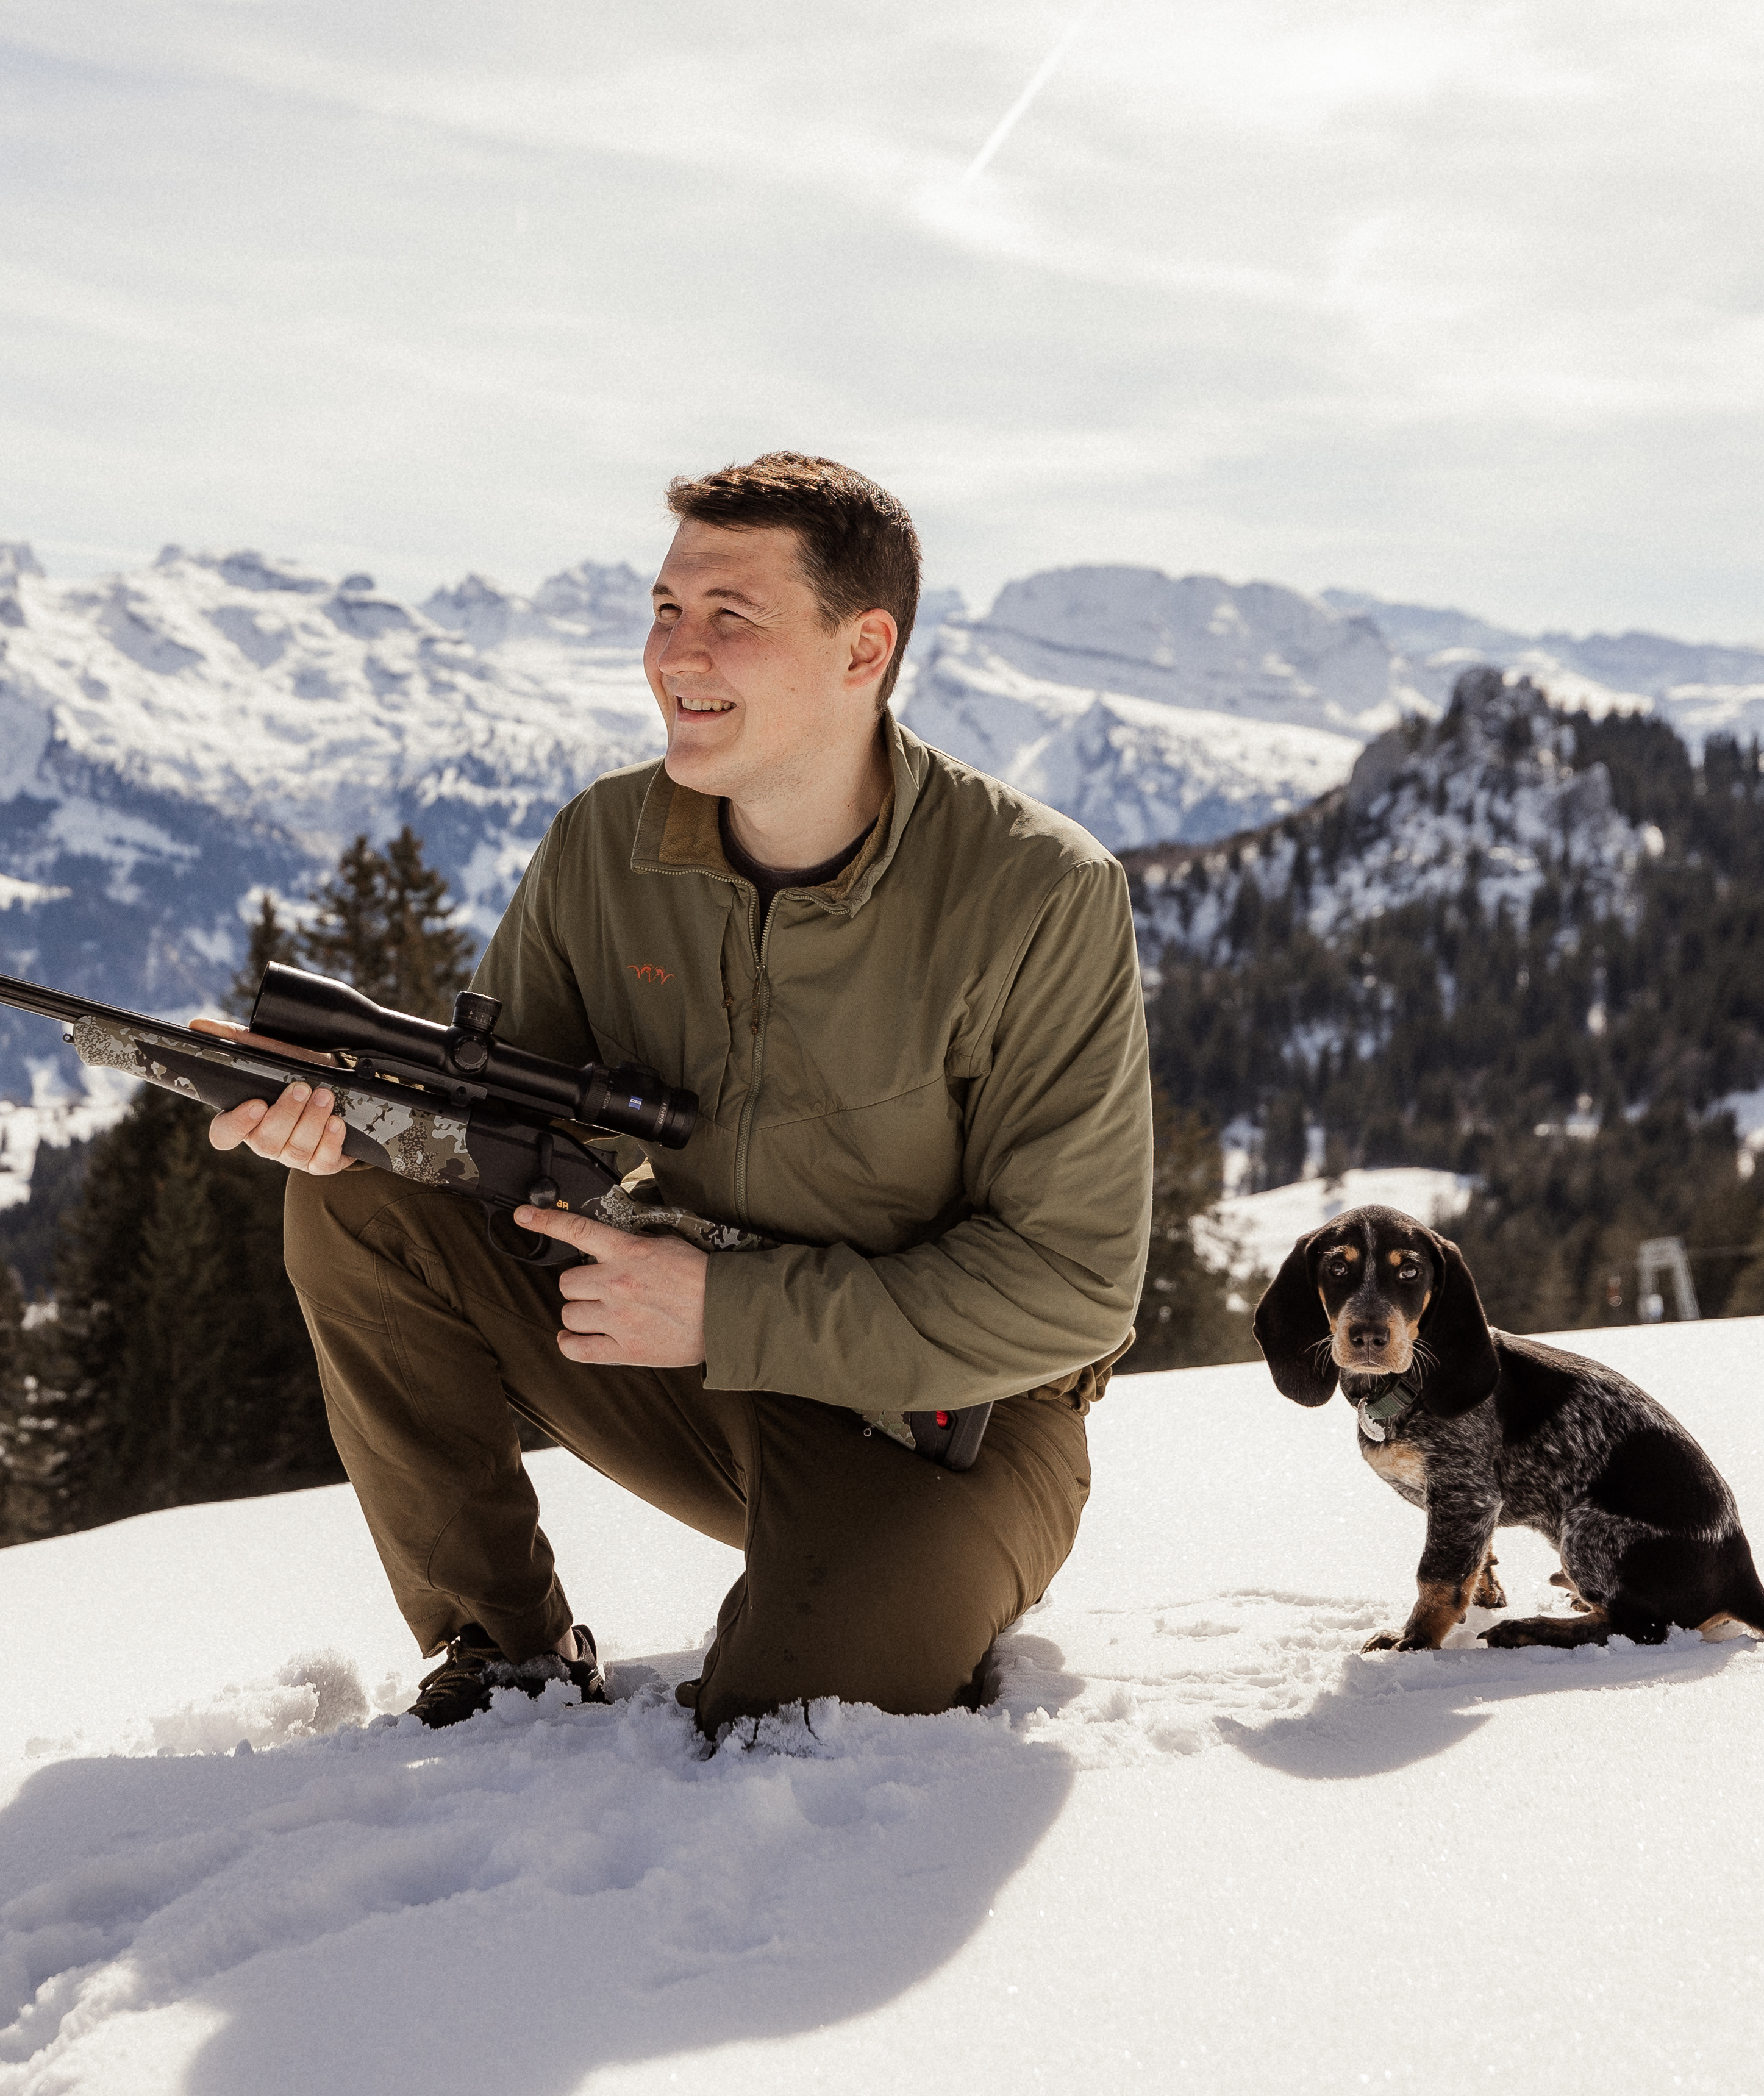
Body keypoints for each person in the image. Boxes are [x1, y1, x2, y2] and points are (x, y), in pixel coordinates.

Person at [207, 452, 1152, 1738]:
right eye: (664, 609)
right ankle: (502, 1656)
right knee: (361, 1207)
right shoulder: (606, 846)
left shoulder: (1039, 894)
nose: (675, 653)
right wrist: (351, 1128)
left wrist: (730, 1307)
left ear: (862, 647)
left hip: (963, 1419)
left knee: (794, 1718)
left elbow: (1072, 1287)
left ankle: (837, 1597)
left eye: (729, 618)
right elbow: (501, 1140)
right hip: (689, 1358)